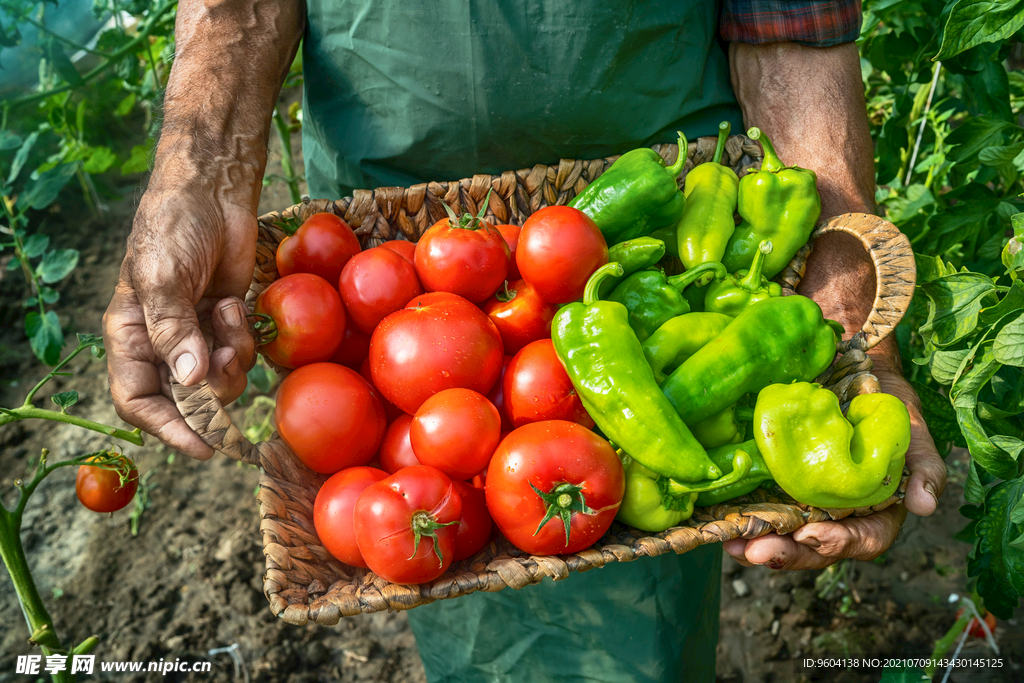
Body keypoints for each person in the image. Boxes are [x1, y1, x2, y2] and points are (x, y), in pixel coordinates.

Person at [102, 1, 947, 681]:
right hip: (391, 234)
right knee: (463, 580)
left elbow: (793, 26)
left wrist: (851, 331)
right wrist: (196, 170)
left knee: (640, 586)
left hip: (645, 193)